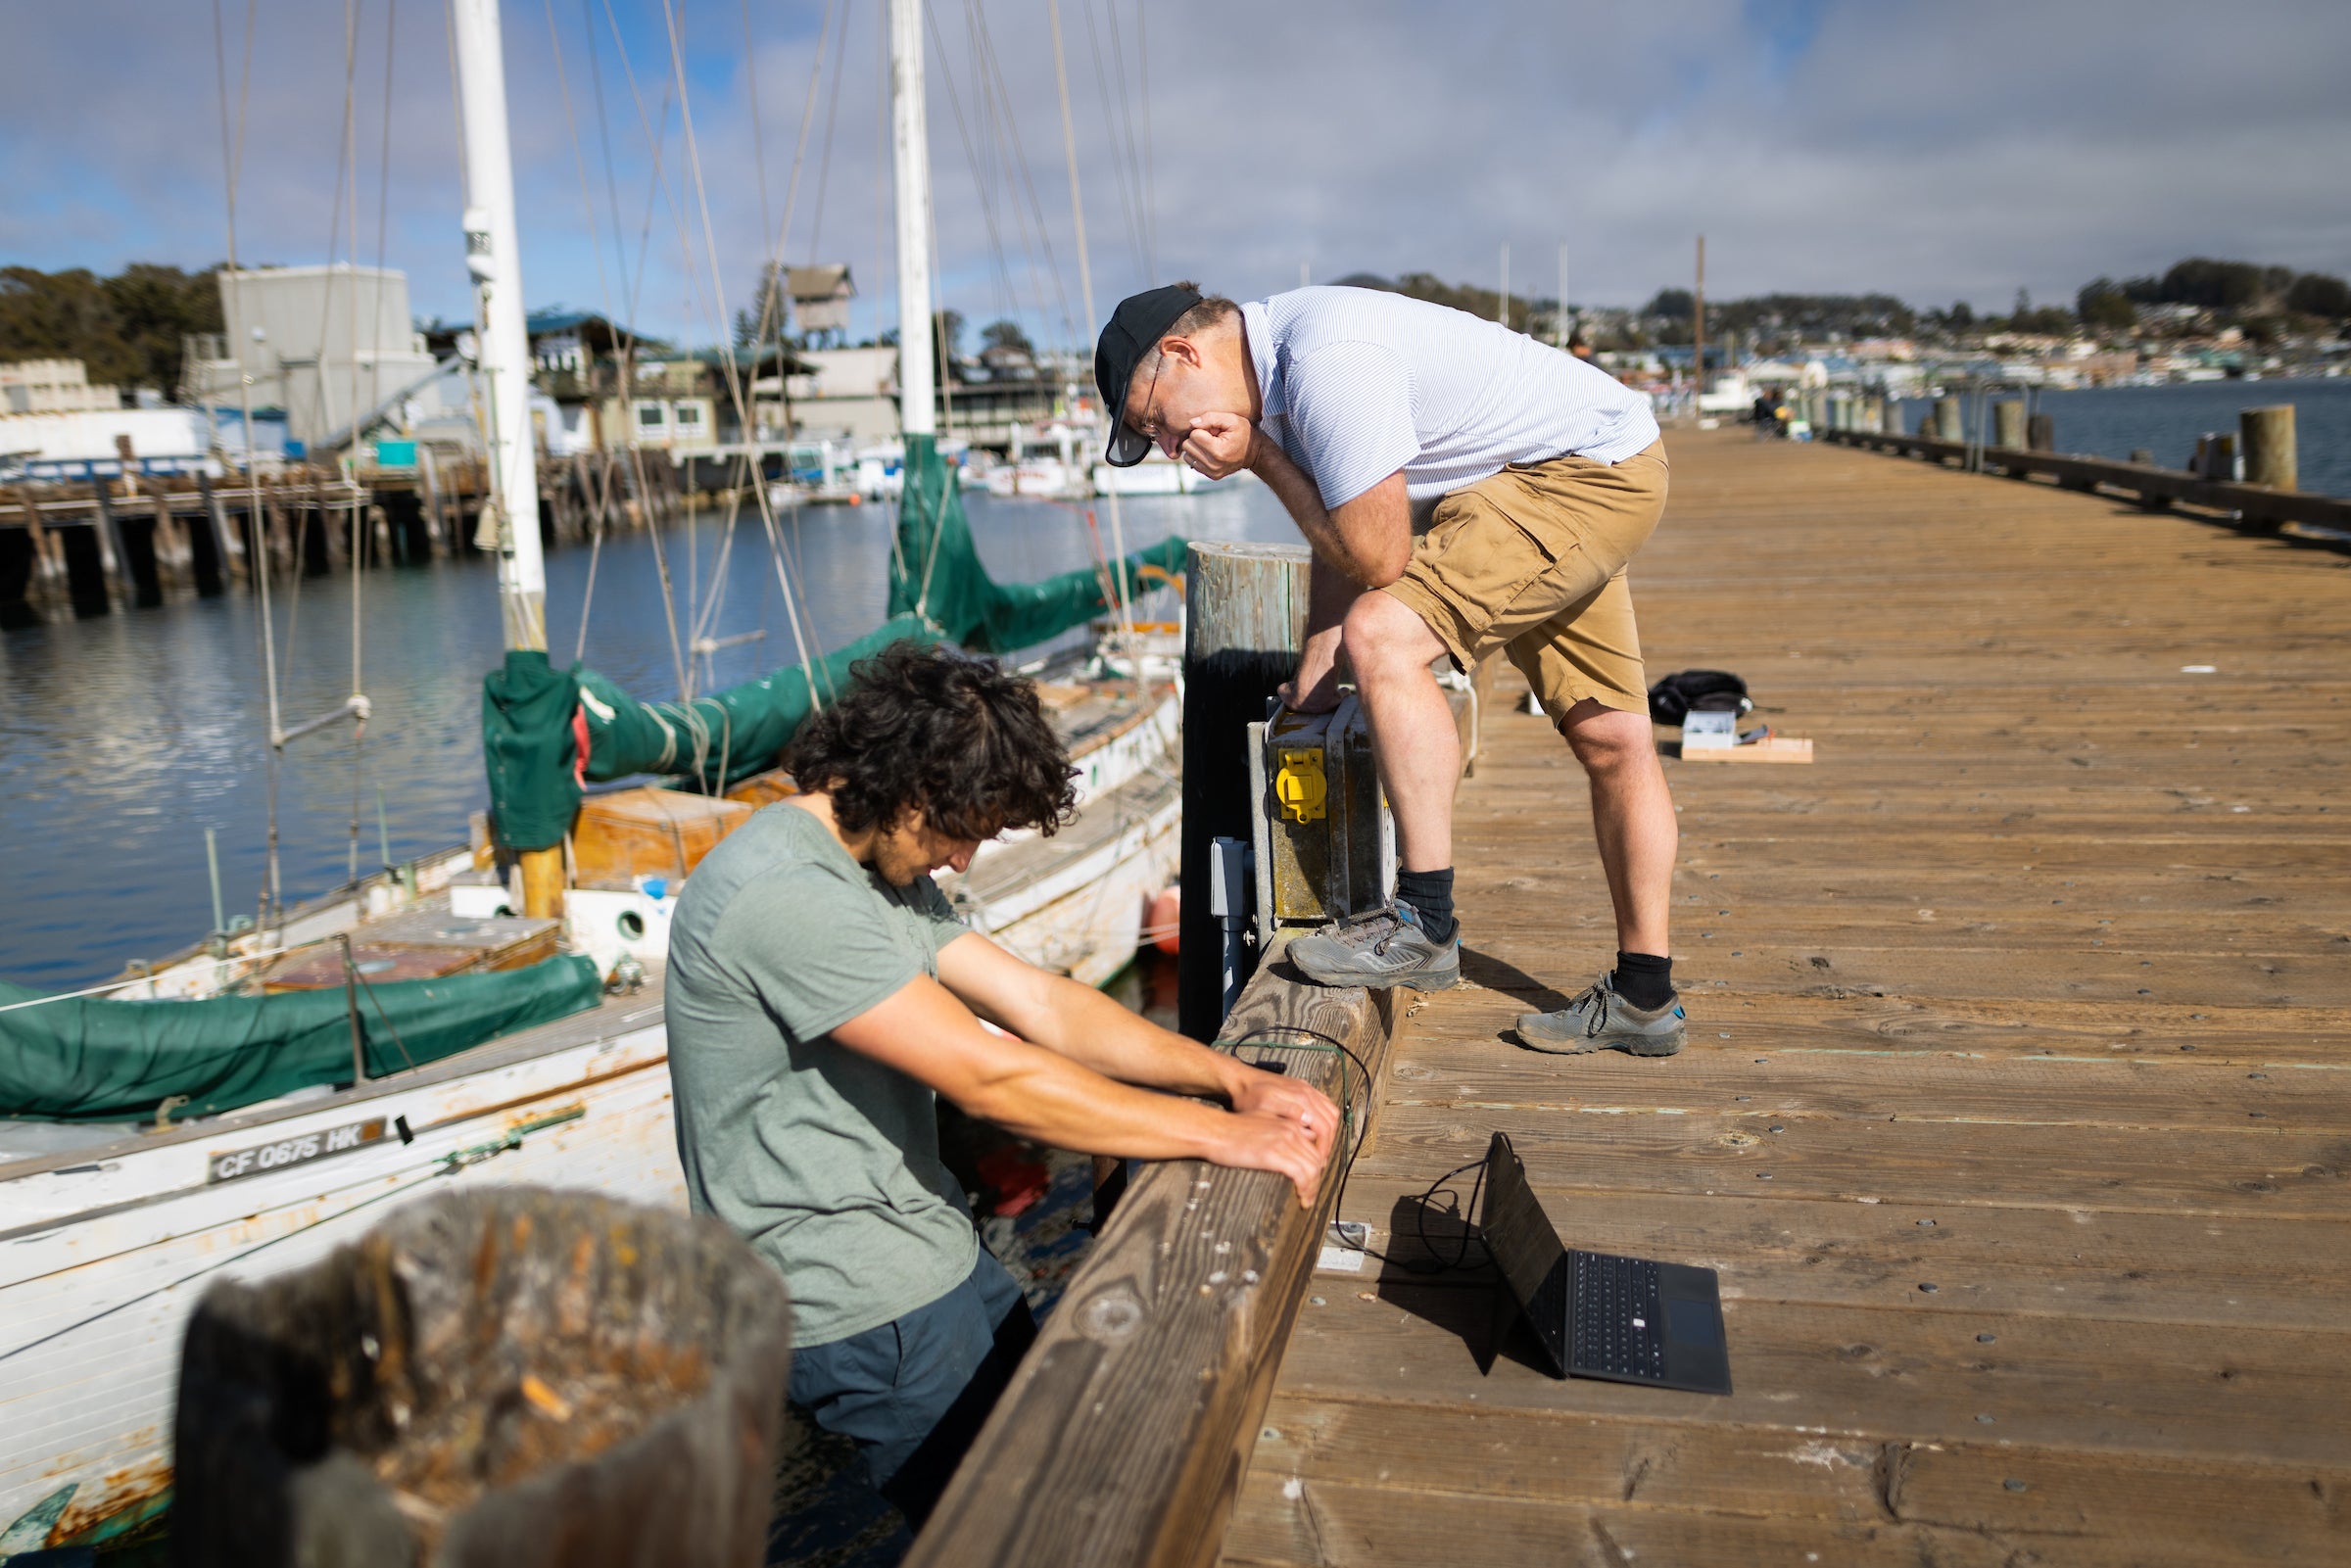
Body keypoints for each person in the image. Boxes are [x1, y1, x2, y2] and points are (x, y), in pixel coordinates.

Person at [664, 642, 1338, 1527]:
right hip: (863, 1299)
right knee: (1009, 1532)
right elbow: (989, 1076)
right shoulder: (787, 894)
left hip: (935, 1247)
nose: (968, 860)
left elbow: (1040, 1004)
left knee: (1065, 1472)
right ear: (907, 795)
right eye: (964, 831)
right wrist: (1215, 1132)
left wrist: (1228, 1077)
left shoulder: (871, 863)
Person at [1095, 282, 1686, 1056]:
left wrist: (1262, 460)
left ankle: (1424, 921)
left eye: (1154, 423)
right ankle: (1645, 995)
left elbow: (1379, 558)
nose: (1173, 448)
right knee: (1612, 737)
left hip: (1568, 479)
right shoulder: (1288, 368)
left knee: (1383, 636)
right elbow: (1346, 531)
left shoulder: (1323, 361)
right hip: (1587, 461)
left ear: (1180, 355)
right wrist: (1314, 674)